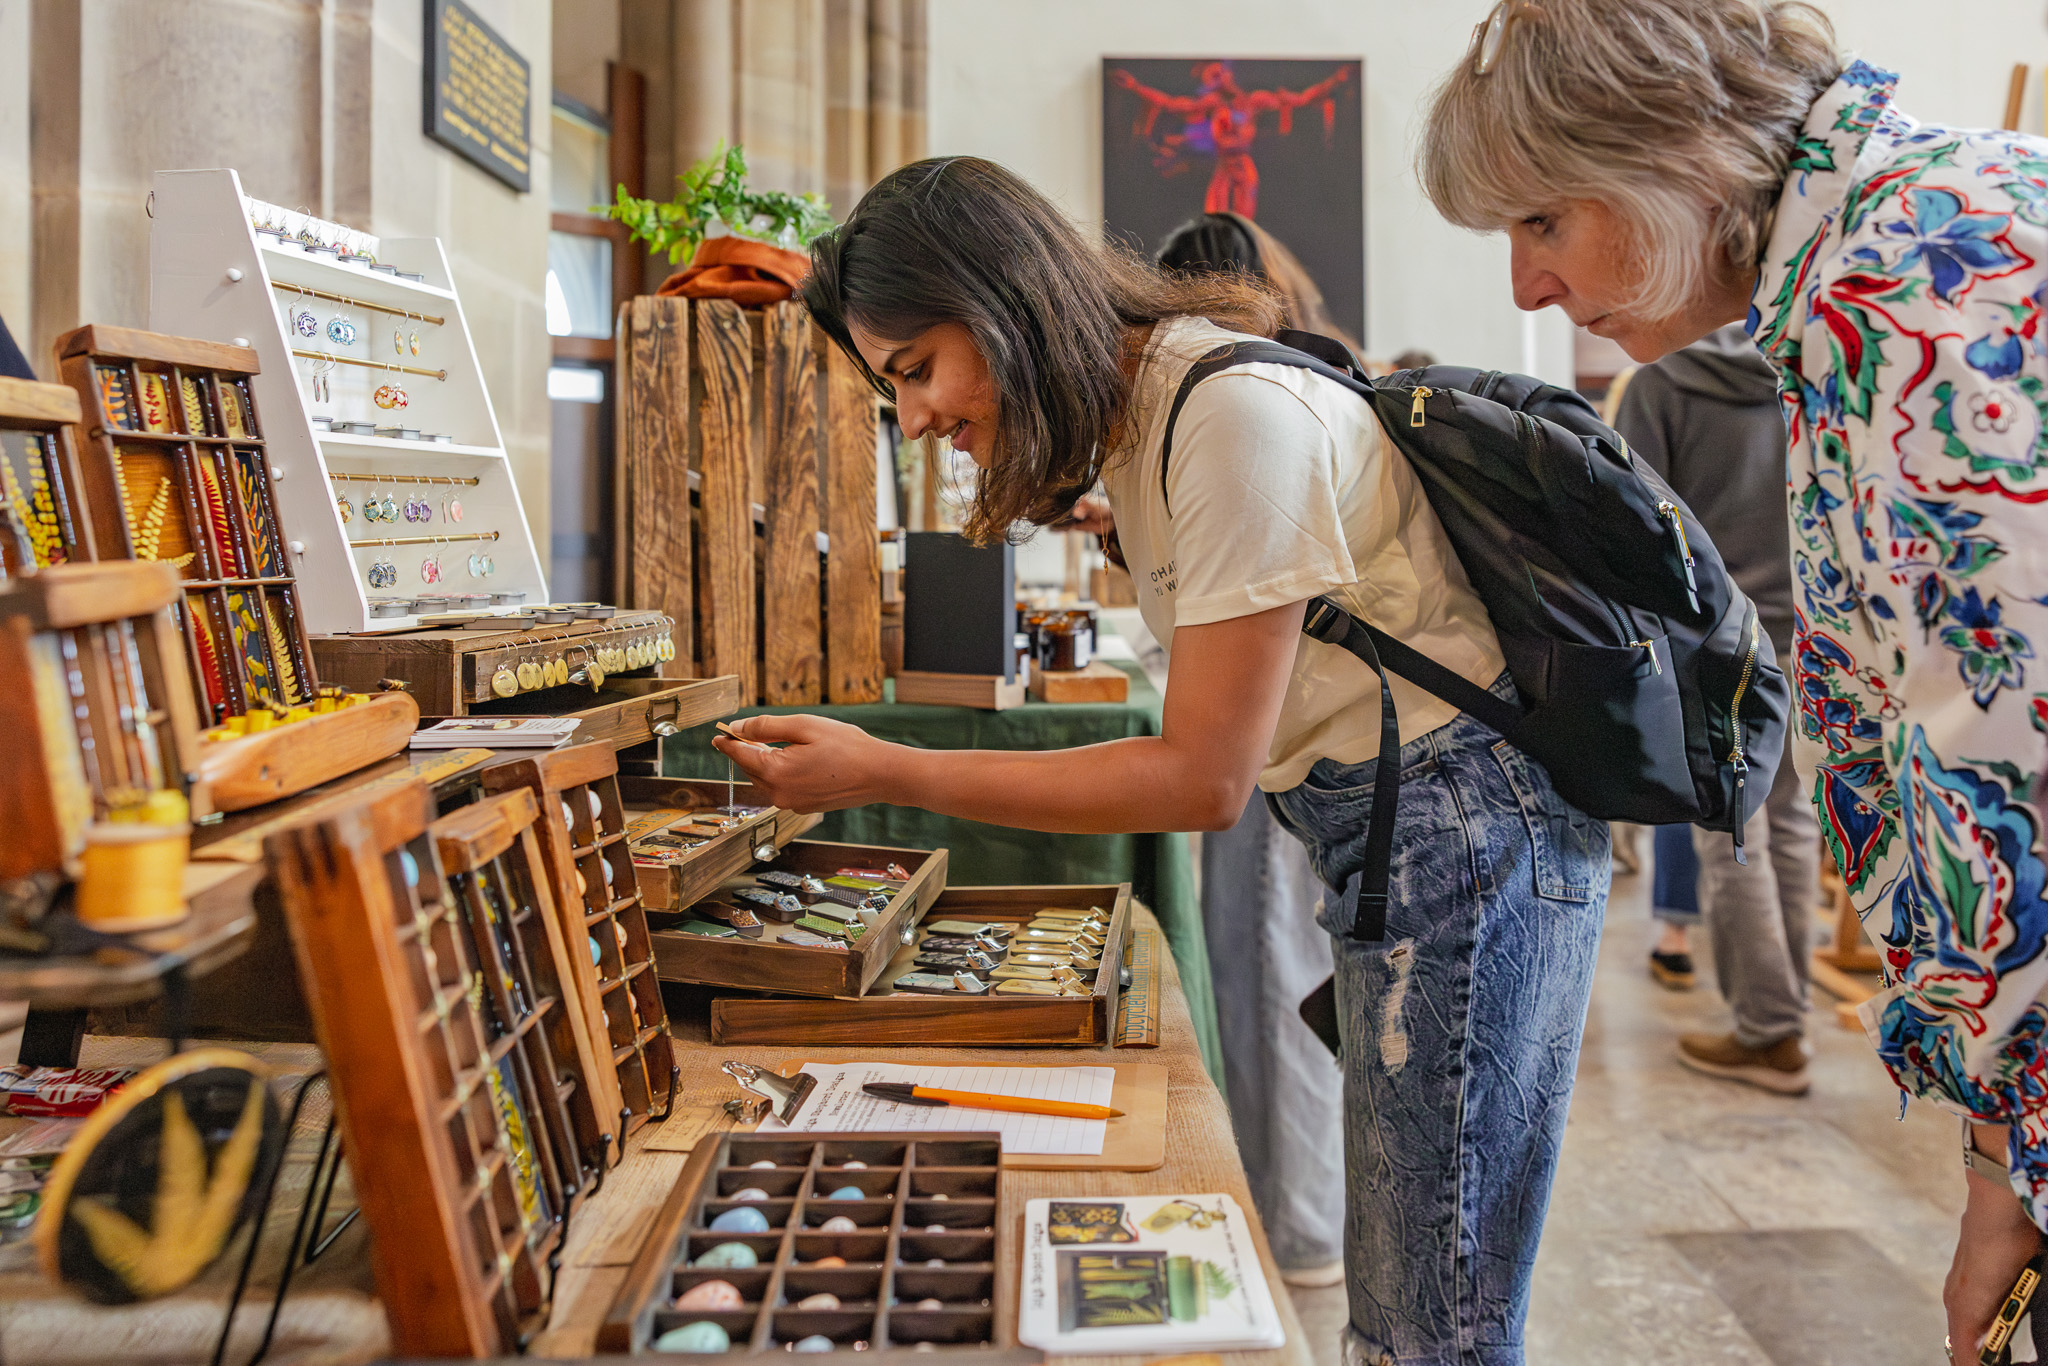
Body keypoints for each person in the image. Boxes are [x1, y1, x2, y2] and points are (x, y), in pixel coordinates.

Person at [715, 156, 1611, 1366]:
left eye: (916, 370)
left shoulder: (1229, 416)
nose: (917, 418)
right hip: (1399, 824)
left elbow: (1199, 779)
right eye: (895, 393)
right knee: (1407, 1284)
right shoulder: (1150, 416)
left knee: (1430, 1316)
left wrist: (887, 770)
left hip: (1466, 835)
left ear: (998, 301)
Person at [1418, 1, 2048, 1354]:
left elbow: (2015, 770)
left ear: (1674, 156)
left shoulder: (1913, 276)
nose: (1529, 288)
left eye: (1542, 222)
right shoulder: (1882, 245)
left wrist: (2016, 1151)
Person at [1152, 212, 1348, 1290]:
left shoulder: (1241, 402)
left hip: (1286, 745)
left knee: (1267, 972)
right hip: (1317, 745)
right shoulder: (1312, 371)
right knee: (1293, 977)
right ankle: (1298, 1209)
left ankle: (1294, 1226)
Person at [1615, 324, 1818, 1091]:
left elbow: (1634, 529)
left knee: (1731, 834)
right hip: (1808, 633)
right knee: (1790, 824)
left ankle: (1768, 1031)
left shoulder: (1662, 383)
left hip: (1716, 643)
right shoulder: (1798, 369)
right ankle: (1784, 1017)